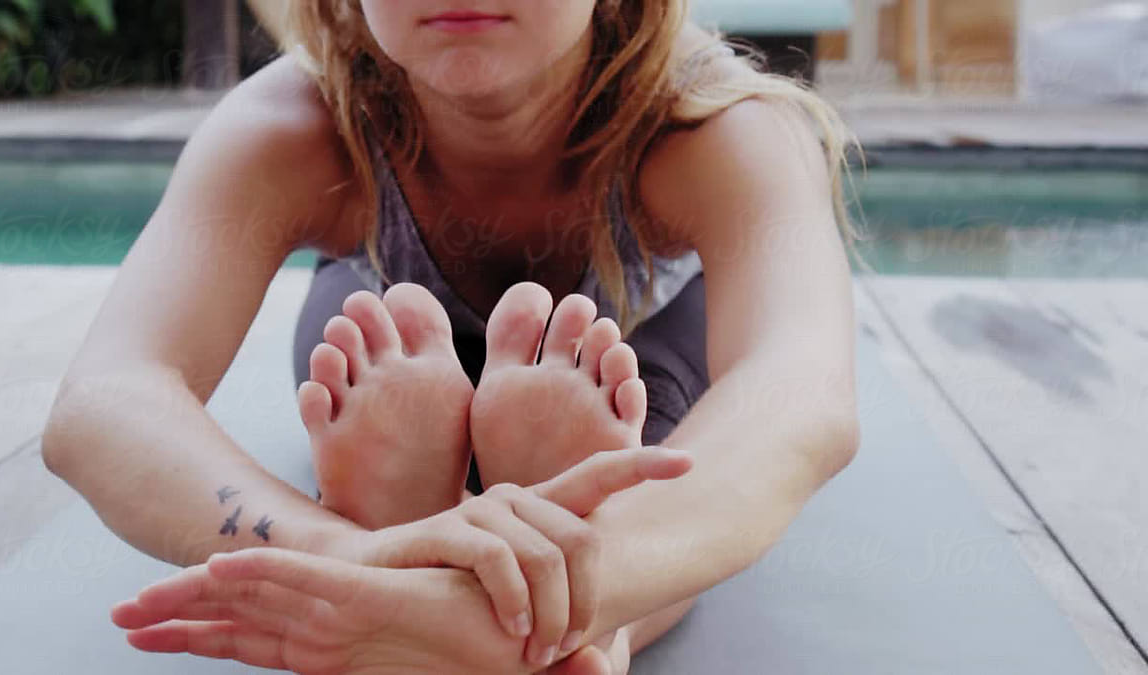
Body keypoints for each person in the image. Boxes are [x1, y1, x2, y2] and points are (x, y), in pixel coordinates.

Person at [45, 0, 864, 672]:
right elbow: (104, 402)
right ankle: (497, 592)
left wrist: (581, 586)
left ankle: (594, 620)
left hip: (627, 338)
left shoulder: (712, 121)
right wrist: (349, 561)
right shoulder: (293, 120)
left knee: (663, 427)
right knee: (375, 346)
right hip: (402, 329)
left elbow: (798, 394)